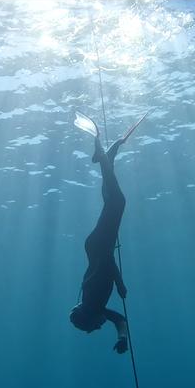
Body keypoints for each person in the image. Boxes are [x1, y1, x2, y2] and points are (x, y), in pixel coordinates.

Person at [69, 110, 149, 354]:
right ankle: (108, 156)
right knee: (111, 202)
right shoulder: (97, 307)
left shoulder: (93, 299)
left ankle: (101, 153)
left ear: (89, 318)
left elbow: (106, 261)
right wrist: (123, 338)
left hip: (99, 248)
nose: (97, 328)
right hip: (96, 246)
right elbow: (120, 321)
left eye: (92, 328)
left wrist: (120, 283)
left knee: (117, 202)